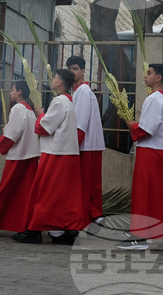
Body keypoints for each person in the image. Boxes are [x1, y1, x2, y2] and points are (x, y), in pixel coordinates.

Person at [14, 68, 87, 245]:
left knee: (45, 192)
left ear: (59, 82)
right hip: (67, 153)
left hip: (55, 154)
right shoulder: (69, 102)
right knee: (63, 196)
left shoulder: (58, 101)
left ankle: (34, 229)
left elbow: (44, 127)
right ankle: (63, 230)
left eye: (54, 78)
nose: (52, 80)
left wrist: (40, 114)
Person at [118, 63, 163, 251]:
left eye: (149, 73)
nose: (145, 76)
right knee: (162, 198)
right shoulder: (160, 99)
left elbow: (147, 129)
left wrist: (133, 126)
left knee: (144, 195)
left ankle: (139, 236)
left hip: (151, 153)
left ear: (158, 78)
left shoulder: (154, 99)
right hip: (159, 152)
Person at [0, 80, 40, 236]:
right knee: (25, 194)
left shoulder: (17, 109)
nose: (10, 93)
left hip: (17, 157)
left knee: (4, 191)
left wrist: (2, 140)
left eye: (12, 90)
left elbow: (12, 134)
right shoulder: (30, 111)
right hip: (30, 157)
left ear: (20, 92)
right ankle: (24, 224)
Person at [68, 55, 105, 223]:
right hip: (90, 145)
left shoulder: (82, 91)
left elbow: (80, 124)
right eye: (69, 69)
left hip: (84, 145)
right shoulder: (80, 91)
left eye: (75, 69)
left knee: (84, 187)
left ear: (83, 71)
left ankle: (85, 218)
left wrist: (72, 146)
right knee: (90, 187)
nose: (72, 72)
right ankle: (94, 216)